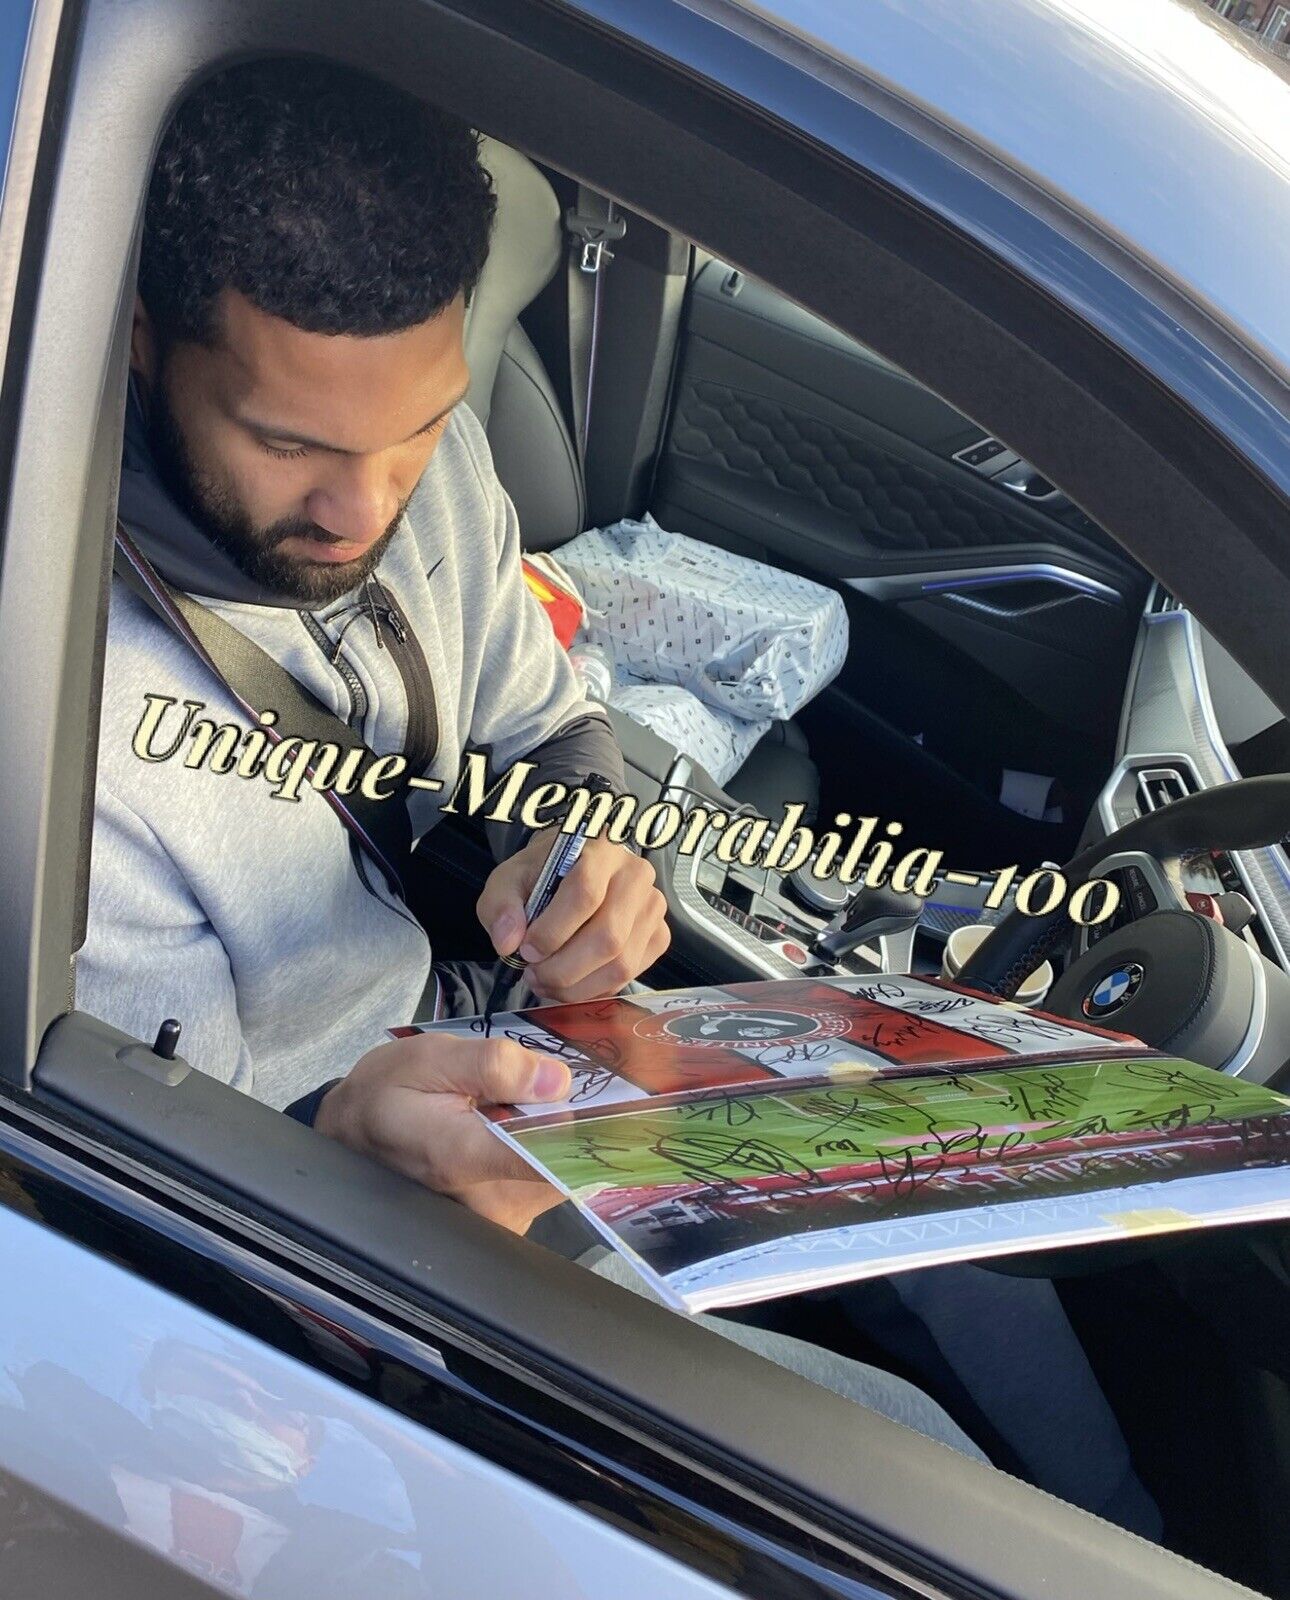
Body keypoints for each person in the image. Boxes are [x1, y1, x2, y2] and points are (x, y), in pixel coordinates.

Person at [76, 57, 988, 1462]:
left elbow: (546, 717)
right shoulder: (69, 716)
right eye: (287, 443)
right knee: (905, 1451)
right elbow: (157, 1194)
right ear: (141, 339)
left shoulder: (417, 462)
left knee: (952, 1229)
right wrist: (344, 1145)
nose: (363, 507)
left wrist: (597, 842)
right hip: (340, 1223)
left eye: (420, 426)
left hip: (492, 1036)